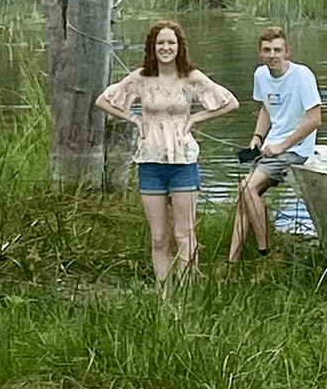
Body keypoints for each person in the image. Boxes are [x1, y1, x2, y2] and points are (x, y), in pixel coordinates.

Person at [96, 20, 238, 283]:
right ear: (152, 46)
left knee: (184, 233)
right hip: (149, 161)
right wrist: (135, 119)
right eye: (160, 42)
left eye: (171, 42)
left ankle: (186, 294)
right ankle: (164, 298)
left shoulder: (190, 78)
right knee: (159, 237)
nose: (166, 47)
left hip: (183, 162)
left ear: (179, 46)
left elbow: (230, 103)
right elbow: (103, 100)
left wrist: (195, 120)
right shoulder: (141, 78)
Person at [228, 27, 322, 262]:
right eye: (267, 50)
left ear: (287, 51)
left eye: (277, 50)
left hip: (296, 149)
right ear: (260, 53)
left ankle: (265, 254)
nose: (273, 55)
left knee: (247, 188)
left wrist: (282, 145)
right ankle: (233, 261)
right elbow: (266, 110)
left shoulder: (302, 76)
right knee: (245, 197)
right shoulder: (261, 75)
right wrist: (257, 137)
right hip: (271, 148)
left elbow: (315, 119)